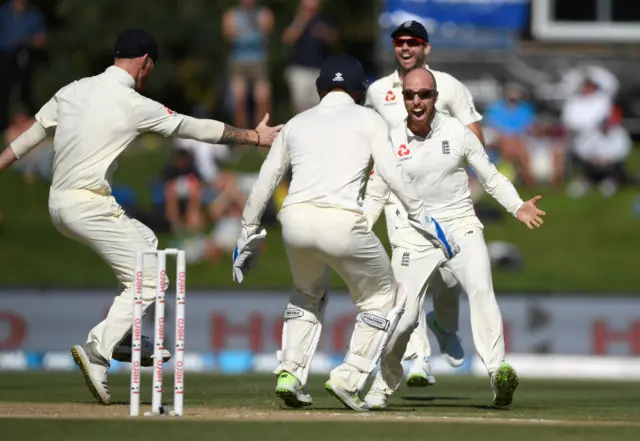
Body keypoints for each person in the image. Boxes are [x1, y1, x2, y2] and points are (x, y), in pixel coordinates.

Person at [0, 29, 282, 405]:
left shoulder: (72, 90)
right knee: (153, 278)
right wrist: (254, 137)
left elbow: (29, 138)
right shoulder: (133, 103)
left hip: (58, 206)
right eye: (152, 67)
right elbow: (194, 128)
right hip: (90, 205)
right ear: (145, 62)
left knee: (146, 242)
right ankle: (100, 349)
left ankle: (125, 336)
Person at [232, 55, 459, 412]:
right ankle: (349, 377)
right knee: (388, 297)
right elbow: (393, 176)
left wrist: (246, 231)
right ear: (358, 90)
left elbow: (266, 180)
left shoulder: (297, 122)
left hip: (295, 221)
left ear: (320, 89)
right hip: (342, 221)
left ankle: (289, 373)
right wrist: (428, 222)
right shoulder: (369, 119)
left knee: (307, 293)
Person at [362, 67, 546, 409]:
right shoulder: (389, 140)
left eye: (424, 95)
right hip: (414, 236)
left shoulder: (459, 132)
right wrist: (358, 231)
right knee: (402, 320)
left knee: (480, 289)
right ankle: (384, 384)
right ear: (403, 98)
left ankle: (497, 371)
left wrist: (518, 206)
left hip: (461, 227)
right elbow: (375, 194)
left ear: (435, 97)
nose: (417, 101)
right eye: (410, 95)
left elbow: (490, 177)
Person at [364, 20, 483, 387]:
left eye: (413, 42)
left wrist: (477, 179)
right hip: (396, 199)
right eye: (399, 42)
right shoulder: (377, 90)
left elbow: (472, 134)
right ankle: (418, 359)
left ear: (425, 48)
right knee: (406, 283)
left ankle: (444, 326)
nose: (405, 48)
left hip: (444, 198)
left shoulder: (447, 86)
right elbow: (369, 140)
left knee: (447, 278)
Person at [222, 0, 274, 129]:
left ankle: (262, 137)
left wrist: (240, 32)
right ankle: (242, 141)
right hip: (238, 62)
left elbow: (267, 29)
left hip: (258, 62)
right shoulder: (232, 14)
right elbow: (227, 33)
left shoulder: (264, 13)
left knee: (263, 99)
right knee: (239, 100)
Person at [282, 0, 338, 113]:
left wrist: (325, 33)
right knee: (301, 109)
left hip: (319, 70)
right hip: (299, 70)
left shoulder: (324, 18)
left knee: (319, 108)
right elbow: (288, 39)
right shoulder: (295, 18)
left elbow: (334, 38)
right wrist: (302, 19)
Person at [0, 0, 47, 130]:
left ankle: (29, 122)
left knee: (25, 92)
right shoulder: (3, 12)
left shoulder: (34, 15)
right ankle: (5, 125)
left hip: (25, 57)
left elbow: (41, 39)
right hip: (4, 58)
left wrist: (28, 41)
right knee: (4, 92)